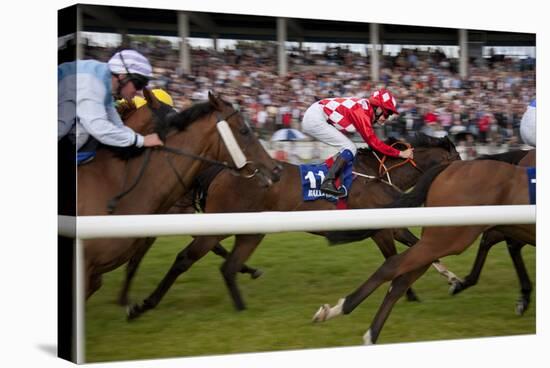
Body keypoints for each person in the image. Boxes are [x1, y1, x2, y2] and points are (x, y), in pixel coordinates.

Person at [301, 89, 414, 197]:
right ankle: (328, 181)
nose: (387, 118)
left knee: (347, 147)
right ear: (378, 108)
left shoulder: (366, 109)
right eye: (387, 113)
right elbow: (373, 143)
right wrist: (400, 154)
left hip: (317, 114)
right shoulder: (362, 113)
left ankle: (333, 175)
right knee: (350, 147)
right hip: (315, 118)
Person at [58, 49, 164, 162]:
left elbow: (117, 125)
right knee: (78, 131)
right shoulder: (93, 83)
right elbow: (98, 128)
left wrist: (140, 140)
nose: (139, 92)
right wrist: (141, 141)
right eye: (139, 85)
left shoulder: (106, 83)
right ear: (122, 77)